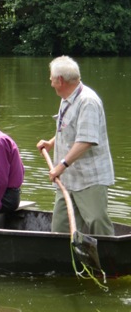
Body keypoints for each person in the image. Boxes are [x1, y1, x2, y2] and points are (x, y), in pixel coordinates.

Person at [37, 55, 115, 235]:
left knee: (97, 223)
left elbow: (86, 140)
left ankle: (110, 260)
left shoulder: (88, 101)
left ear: (60, 80)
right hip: (68, 179)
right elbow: (70, 128)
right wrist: (51, 142)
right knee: (61, 228)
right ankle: (63, 261)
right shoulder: (66, 96)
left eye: (51, 80)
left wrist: (61, 166)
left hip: (89, 178)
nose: (50, 84)